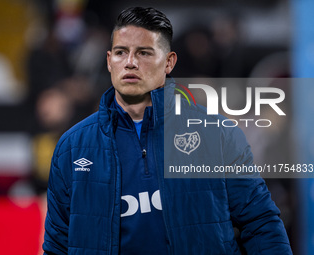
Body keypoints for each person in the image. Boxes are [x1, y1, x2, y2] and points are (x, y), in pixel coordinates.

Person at [43, 7, 292, 255]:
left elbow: (261, 224)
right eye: (121, 53)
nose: (130, 63)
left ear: (169, 62)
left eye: (144, 53)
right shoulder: (72, 148)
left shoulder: (219, 136)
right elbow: (57, 246)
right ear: (109, 61)